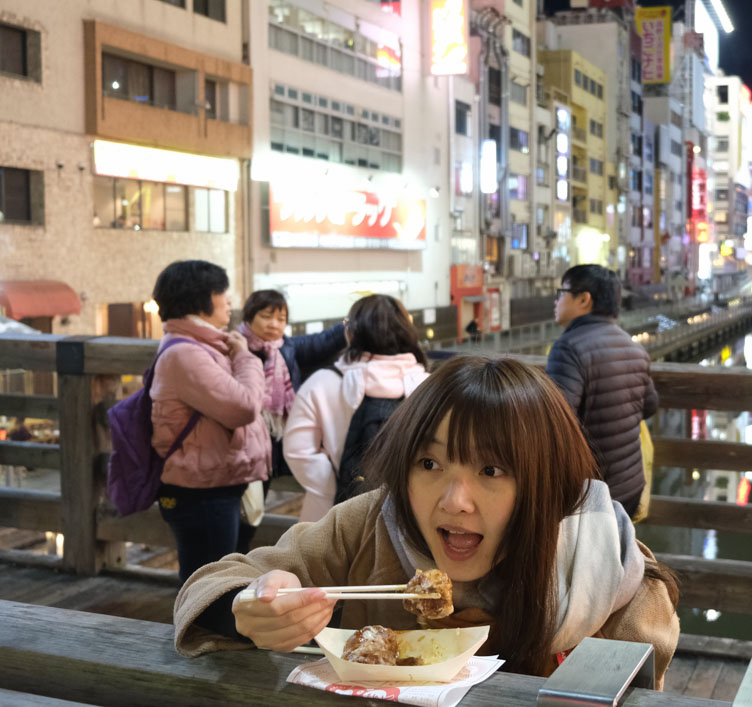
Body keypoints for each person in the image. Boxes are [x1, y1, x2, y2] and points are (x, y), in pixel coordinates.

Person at [169, 356, 681, 686]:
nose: (455, 502)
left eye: (492, 469)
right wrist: (248, 607)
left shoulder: (606, 569)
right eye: (430, 464)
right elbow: (214, 581)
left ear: (545, 484)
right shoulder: (369, 526)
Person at [148, 260, 269, 583]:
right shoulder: (187, 354)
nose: (229, 300)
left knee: (213, 578)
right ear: (199, 298)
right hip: (200, 491)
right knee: (207, 585)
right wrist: (245, 356)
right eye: (221, 292)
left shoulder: (201, 346)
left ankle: (202, 632)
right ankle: (195, 635)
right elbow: (244, 406)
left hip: (211, 483)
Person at [283, 295, 431, 523]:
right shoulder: (428, 387)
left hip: (328, 517)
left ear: (350, 334)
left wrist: (339, 483)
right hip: (410, 515)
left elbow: (296, 450)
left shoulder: (322, 382)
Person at [546, 265, 657, 517]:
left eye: (561, 292)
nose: (556, 301)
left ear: (584, 299)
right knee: (613, 553)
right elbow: (650, 405)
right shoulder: (634, 347)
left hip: (591, 493)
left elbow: (554, 418)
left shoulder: (569, 347)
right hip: (630, 487)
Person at [238, 290, 347, 478]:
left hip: (279, 441)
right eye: (266, 317)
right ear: (249, 317)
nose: (274, 324)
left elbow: (324, 341)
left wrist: (351, 322)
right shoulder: (235, 348)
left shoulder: (288, 347)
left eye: (281, 319)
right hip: (245, 442)